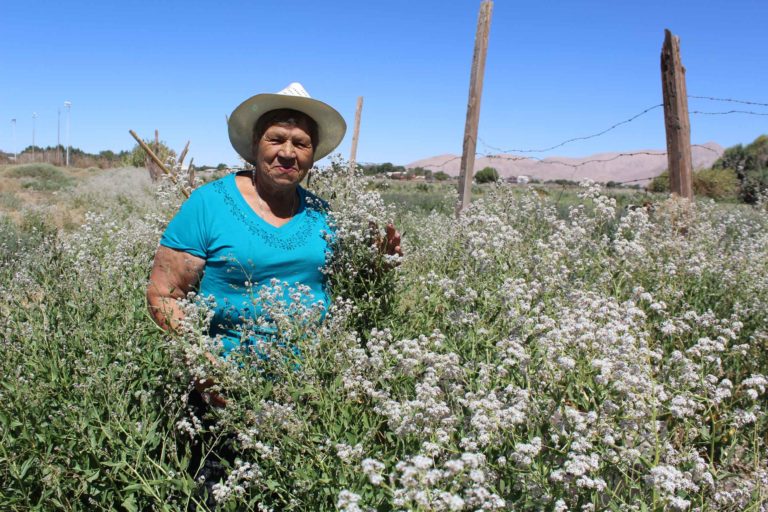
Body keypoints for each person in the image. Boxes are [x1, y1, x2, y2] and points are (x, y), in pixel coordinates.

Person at [146, 83, 401, 507]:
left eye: (301, 143)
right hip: (222, 391)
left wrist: (378, 264)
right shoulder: (209, 204)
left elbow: (344, 288)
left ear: (313, 155)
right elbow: (164, 294)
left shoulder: (323, 214)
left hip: (307, 391)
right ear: (254, 146)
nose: (288, 152)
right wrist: (206, 366)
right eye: (276, 139)